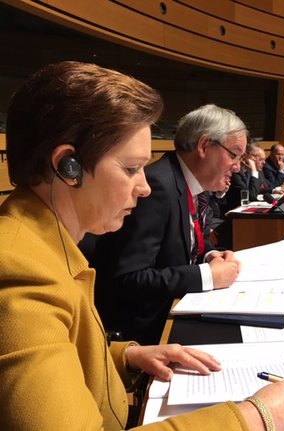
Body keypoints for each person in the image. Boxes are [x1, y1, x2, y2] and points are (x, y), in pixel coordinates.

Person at [0, 61, 284, 431]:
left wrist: (125, 356)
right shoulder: (21, 276)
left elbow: (66, 350)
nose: (145, 186)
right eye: (130, 169)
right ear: (67, 166)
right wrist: (255, 419)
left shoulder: (42, 245)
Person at [93, 104, 244, 346]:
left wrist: (212, 256)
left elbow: (194, 240)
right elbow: (128, 278)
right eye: (234, 155)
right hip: (146, 333)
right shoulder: (157, 186)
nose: (238, 167)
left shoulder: (196, 185)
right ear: (204, 145)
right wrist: (206, 275)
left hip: (177, 309)